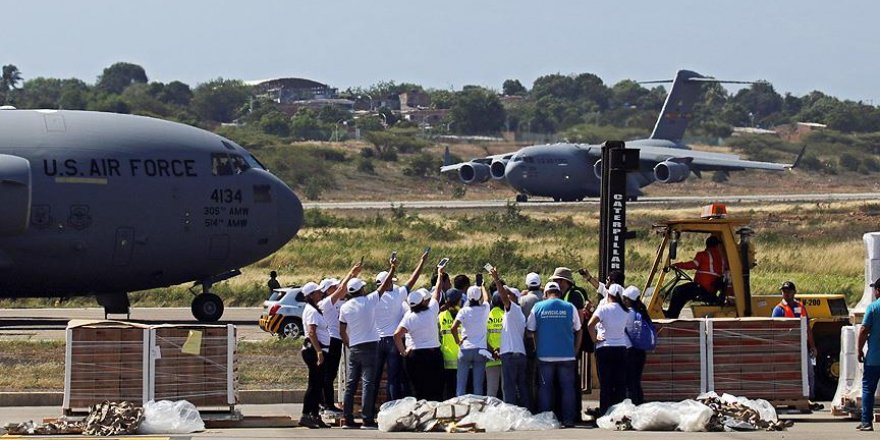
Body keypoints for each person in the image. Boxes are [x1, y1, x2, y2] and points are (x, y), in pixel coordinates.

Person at [338, 257, 399, 429]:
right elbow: (385, 284)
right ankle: (367, 419)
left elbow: (342, 330)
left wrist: (349, 344)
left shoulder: (345, 307)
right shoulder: (369, 300)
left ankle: (347, 418)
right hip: (371, 346)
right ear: (361, 290)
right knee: (368, 383)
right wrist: (392, 268)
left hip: (354, 346)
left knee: (351, 383)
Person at [373, 250, 429, 405]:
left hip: (377, 341)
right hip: (393, 341)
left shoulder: (372, 298)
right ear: (389, 282)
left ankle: (369, 412)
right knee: (393, 377)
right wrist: (422, 261)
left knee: (374, 378)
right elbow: (413, 279)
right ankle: (392, 407)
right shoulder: (397, 295)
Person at [527, 281, 582, 428]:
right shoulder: (570, 307)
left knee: (545, 388)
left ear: (545, 294)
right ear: (559, 293)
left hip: (545, 356)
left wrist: (537, 347)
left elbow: (530, 329)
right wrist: (576, 350)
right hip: (567, 355)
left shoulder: (538, 307)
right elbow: (579, 329)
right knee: (568, 388)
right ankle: (569, 420)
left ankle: (545, 420)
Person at [550, 267, 591, 420]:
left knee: (571, 380)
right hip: (566, 342)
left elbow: (579, 323)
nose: (555, 283)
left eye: (557, 281)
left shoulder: (574, 295)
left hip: (572, 343)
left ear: (564, 281)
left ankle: (573, 413)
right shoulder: (566, 294)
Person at [588, 284, 634, 416]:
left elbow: (590, 325)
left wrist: (595, 339)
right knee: (620, 383)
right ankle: (619, 414)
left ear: (608, 295)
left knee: (606, 384)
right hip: (621, 348)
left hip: (604, 348)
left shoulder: (603, 309)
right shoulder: (627, 311)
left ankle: (604, 414)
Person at [489, 267, 531, 409]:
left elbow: (504, 296)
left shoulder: (512, 309)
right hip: (520, 354)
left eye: (508, 294)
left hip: (510, 355)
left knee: (509, 388)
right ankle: (526, 411)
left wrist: (496, 279)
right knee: (522, 386)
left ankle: (511, 414)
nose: (504, 296)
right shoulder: (518, 313)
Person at [394, 286, 444, 401]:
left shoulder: (408, 317)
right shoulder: (432, 310)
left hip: (415, 356)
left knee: (418, 390)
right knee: (436, 388)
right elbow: (437, 293)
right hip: (433, 354)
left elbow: (397, 335)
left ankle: (421, 415)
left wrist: (403, 352)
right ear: (422, 301)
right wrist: (439, 275)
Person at [771, 281, 818, 402]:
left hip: (802, 346)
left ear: (794, 292)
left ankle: (810, 397)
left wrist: (812, 346)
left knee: (809, 372)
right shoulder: (778, 310)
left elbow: (807, 328)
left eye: (788, 291)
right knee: (790, 373)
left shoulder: (801, 307)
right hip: (787, 347)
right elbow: (775, 331)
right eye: (784, 291)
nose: (786, 294)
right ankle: (789, 397)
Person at [665, 235, 728, 318]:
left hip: (702, 288)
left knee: (678, 290)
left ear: (707, 244)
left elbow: (693, 265)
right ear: (717, 245)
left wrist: (677, 265)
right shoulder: (722, 258)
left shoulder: (704, 255)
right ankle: (673, 314)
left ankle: (672, 315)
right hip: (711, 289)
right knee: (684, 292)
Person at [299, 282, 332, 429]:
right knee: (314, 384)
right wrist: (319, 351)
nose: (321, 293)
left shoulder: (315, 308)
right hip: (313, 350)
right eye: (318, 292)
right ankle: (306, 415)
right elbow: (312, 332)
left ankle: (315, 415)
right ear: (311, 295)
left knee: (318, 385)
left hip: (318, 350)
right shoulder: (311, 312)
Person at [451, 284, 491, 396]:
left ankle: (460, 409)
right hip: (480, 350)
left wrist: (457, 341)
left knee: (461, 385)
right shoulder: (484, 308)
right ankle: (478, 410)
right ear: (479, 298)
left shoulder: (464, 311)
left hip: (465, 349)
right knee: (478, 385)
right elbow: (487, 298)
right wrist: (483, 286)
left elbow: (453, 328)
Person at [317, 275, 347, 414]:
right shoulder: (326, 303)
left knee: (330, 374)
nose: (337, 289)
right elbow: (342, 288)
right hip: (331, 341)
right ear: (327, 291)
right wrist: (352, 273)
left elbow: (343, 290)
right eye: (333, 287)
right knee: (328, 375)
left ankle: (324, 403)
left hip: (337, 340)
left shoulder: (339, 302)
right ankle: (327, 404)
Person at [857, 278, 880, 431]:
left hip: (874, 359)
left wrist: (859, 349)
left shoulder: (873, 308)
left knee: (868, 389)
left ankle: (866, 422)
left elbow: (864, 330)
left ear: (878, 290)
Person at [622, 285, 651, 405]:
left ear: (628, 300)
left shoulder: (628, 313)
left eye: (624, 299)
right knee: (636, 382)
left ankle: (633, 408)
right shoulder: (642, 311)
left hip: (630, 351)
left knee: (629, 383)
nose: (622, 301)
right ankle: (639, 406)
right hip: (640, 351)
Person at [519, 271, 543, 411]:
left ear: (527, 285)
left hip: (527, 341)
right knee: (542, 377)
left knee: (528, 377)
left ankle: (529, 407)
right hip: (544, 341)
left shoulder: (523, 300)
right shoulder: (546, 298)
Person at [438, 277, 463, 400]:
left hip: (446, 358)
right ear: (458, 300)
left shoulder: (441, 315)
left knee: (449, 393)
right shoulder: (463, 313)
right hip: (462, 358)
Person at [485, 292, 505, 398]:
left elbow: (483, 337)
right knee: (506, 389)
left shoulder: (486, 316)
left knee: (491, 390)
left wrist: (493, 351)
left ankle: (489, 413)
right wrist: (500, 350)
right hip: (505, 355)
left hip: (490, 357)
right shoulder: (506, 315)